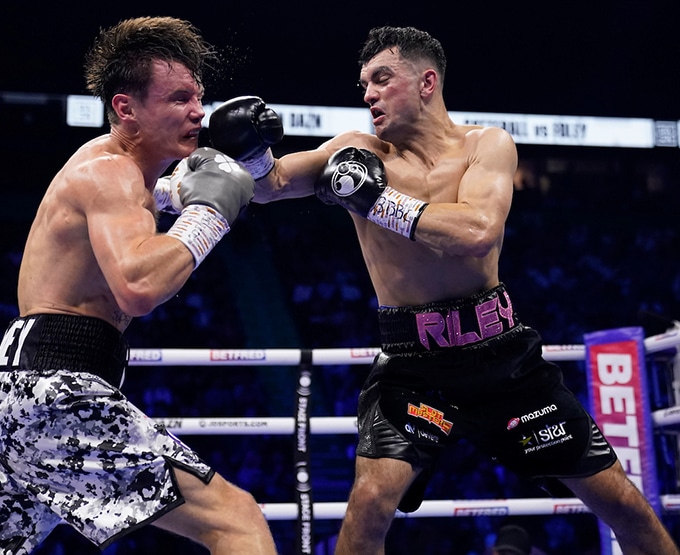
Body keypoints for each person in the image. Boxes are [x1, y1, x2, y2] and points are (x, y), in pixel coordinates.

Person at [207, 25, 680, 555]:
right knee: (370, 503)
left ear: (426, 81)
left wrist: (377, 202)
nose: (367, 94)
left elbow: (477, 232)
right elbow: (269, 187)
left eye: (381, 79)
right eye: (363, 84)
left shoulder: (487, 145)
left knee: (623, 505)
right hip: (413, 367)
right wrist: (246, 147)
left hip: (503, 362)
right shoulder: (355, 150)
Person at [0, 16, 277, 555]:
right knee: (237, 522)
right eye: (178, 98)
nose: (198, 111)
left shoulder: (114, 169)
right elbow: (138, 286)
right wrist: (211, 212)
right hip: (56, 392)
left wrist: (235, 172)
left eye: (199, 96)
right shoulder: (110, 174)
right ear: (126, 108)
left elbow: (166, 195)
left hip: (11, 399)